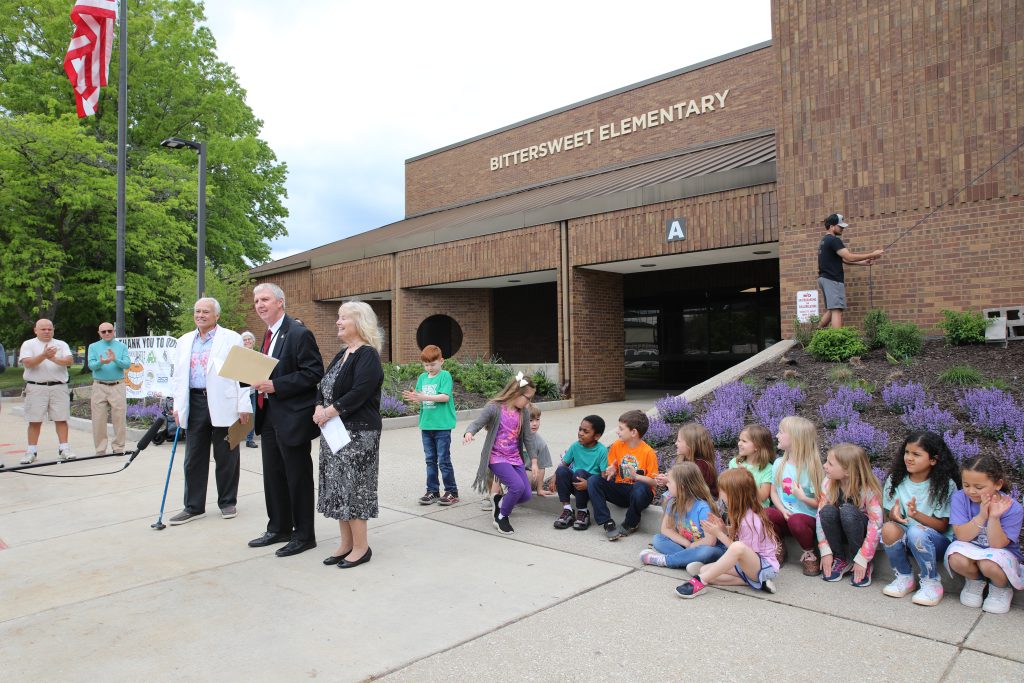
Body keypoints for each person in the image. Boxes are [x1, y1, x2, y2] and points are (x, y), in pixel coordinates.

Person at [248, 283, 324, 557]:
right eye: (257, 300)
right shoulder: (268, 335)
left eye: (265, 299)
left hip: (292, 417)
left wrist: (276, 385)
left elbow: (314, 372)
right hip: (268, 416)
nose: (259, 304)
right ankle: (279, 527)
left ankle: (304, 535)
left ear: (281, 302)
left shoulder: (298, 333)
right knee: (273, 476)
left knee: (297, 477)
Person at [168, 298, 251, 524]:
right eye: (197, 311)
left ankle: (227, 502)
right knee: (193, 457)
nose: (201, 315)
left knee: (226, 454)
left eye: (206, 311)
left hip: (224, 403)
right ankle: (194, 506)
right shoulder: (184, 341)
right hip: (194, 402)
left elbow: (243, 373)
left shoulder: (231, 338)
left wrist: (244, 404)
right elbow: (177, 377)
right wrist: (177, 405)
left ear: (217, 316)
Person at [314, 301, 384, 569]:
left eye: (343, 318)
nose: (338, 322)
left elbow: (359, 392)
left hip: (358, 434)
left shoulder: (367, 355)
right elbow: (322, 385)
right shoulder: (343, 353)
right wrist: (319, 406)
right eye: (338, 317)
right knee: (338, 489)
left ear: (359, 322)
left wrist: (328, 412)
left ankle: (361, 547)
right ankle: (345, 545)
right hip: (334, 433)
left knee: (354, 489)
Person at [880, 431, 959, 606]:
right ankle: (904, 577)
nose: (909, 458)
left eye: (916, 454)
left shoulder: (945, 485)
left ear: (933, 459)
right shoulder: (895, 480)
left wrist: (917, 515)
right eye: (907, 452)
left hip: (935, 542)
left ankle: (931, 583)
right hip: (908, 536)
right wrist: (894, 515)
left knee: (917, 532)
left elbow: (942, 527)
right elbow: (891, 514)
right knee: (888, 528)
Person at [674, 467, 780, 598]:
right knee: (704, 570)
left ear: (733, 494)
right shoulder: (741, 513)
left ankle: (701, 581)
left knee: (734, 550)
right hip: (749, 566)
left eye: (722, 490)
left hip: (764, 567)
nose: (720, 493)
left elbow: (739, 551)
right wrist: (723, 528)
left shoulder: (750, 520)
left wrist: (719, 534)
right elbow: (739, 539)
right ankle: (754, 583)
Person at [945, 455, 1023, 614]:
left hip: (999, 554)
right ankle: (975, 581)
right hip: (969, 548)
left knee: (987, 563)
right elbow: (962, 536)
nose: (971, 491)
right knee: (956, 559)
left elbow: (997, 545)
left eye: (979, 487)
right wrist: (981, 516)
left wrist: (994, 517)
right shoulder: (960, 498)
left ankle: (1001, 588)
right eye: (966, 485)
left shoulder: (1013, 508)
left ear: (998, 484)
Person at [464, 373, 539, 535]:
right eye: (528, 397)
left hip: (514, 457)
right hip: (496, 456)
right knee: (516, 486)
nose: (529, 402)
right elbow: (477, 423)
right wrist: (469, 433)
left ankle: (499, 500)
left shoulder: (524, 413)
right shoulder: (495, 408)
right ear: (516, 393)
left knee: (525, 494)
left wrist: (533, 461)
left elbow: (528, 438)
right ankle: (501, 515)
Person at [815, 443, 883, 587]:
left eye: (830, 463)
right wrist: (825, 550)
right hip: (840, 528)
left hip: (860, 532)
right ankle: (840, 558)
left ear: (847, 471)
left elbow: (875, 524)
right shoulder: (828, 483)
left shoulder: (868, 489)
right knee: (826, 511)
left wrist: (864, 557)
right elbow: (820, 516)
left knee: (847, 511)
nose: (824, 465)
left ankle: (860, 560)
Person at [587, 409, 659, 541]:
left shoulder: (648, 452)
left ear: (633, 432)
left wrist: (636, 477)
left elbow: (654, 483)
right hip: (621, 490)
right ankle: (607, 522)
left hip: (640, 495)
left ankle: (630, 523)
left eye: (621, 428)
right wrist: (612, 470)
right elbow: (613, 465)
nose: (617, 431)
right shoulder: (617, 446)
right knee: (593, 481)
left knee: (640, 487)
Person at [766, 415, 824, 575]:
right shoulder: (779, 463)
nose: (777, 435)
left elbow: (821, 502)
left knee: (796, 520)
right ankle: (779, 545)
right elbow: (773, 492)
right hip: (786, 516)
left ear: (796, 439)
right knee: (766, 513)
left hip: (805, 520)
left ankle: (809, 553)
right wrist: (781, 509)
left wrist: (802, 497)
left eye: (781, 432)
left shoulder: (812, 467)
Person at [640, 462, 726, 570]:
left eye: (669, 482)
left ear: (681, 487)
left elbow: (710, 541)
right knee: (658, 539)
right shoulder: (673, 502)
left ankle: (666, 560)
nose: (667, 485)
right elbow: (666, 529)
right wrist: (687, 544)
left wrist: (691, 547)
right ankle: (690, 561)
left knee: (706, 552)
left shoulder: (703, 508)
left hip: (710, 548)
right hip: (688, 545)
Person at [402, 344, 459, 506]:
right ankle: (433, 490)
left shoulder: (445, 376)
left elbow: (444, 397)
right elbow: (420, 397)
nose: (429, 368)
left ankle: (451, 491)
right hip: (426, 425)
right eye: (426, 365)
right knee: (430, 460)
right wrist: (415, 397)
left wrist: (424, 397)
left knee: (444, 460)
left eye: (432, 364)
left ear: (441, 361)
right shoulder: (422, 377)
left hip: (442, 426)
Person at [19, 319, 75, 464]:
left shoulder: (61, 344)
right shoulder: (28, 344)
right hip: (36, 387)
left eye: (49, 329)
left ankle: (64, 449)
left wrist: (54, 358)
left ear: (53, 330)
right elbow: (28, 363)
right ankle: (31, 451)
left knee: (61, 419)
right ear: (35, 330)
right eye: (43, 329)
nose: (47, 331)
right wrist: (44, 355)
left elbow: (69, 361)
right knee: (34, 420)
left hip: (59, 386)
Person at [817, 212, 884, 329]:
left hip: (824, 279)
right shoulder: (834, 240)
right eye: (840, 226)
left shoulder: (824, 241)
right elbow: (849, 256)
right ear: (832, 226)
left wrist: (863, 263)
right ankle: (838, 341)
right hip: (832, 279)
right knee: (837, 310)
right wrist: (872, 254)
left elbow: (843, 260)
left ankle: (817, 333)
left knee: (832, 309)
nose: (843, 228)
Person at [553, 415, 608, 531]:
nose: (580, 433)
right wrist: (554, 476)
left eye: (586, 431)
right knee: (561, 470)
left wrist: (591, 484)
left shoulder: (602, 450)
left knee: (579, 472)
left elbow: (603, 476)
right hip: (575, 484)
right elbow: (564, 464)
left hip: (589, 487)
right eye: (580, 429)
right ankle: (567, 510)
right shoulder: (575, 446)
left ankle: (583, 512)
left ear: (597, 436)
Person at [87, 321, 130, 455]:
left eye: (109, 331)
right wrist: (101, 362)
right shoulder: (93, 347)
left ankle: (118, 447)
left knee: (119, 418)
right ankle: (100, 448)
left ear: (114, 332)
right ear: (99, 333)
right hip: (99, 386)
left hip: (117, 385)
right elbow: (91, 366)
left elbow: (127, 364)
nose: (107, 333)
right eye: (103, 331)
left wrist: (114, 359)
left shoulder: (121, 346)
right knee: (98, 419)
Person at [656, 422, 718, 498]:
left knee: (669, 500)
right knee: (667, 498)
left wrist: (669, 481)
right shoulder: (683, 459)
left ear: (690, 445)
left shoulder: (702, 466)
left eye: (679, 441)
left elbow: (693, 491)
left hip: (701, 503)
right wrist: (667, 480)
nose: (675, 443)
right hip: (686, 500)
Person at [728, 424, 775, 507]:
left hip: (758, 510)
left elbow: (762, 497)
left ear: (757, 446)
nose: (739, 443)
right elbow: (727, 488)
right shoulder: (734, 463)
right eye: (739, 440)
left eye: (744, 441)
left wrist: (747, 477)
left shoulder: (768, 469)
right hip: (736, 508)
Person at [525, 404, 554, 497]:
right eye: (530, 420)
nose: (535, 423)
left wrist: (539, 489)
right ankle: (494, 494)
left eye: (537, 419)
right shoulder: (514, 437)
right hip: (514, 471)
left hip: (530, 475)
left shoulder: (540, 443)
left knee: (523, 475)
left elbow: (541, 468)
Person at [240, 331, 259, 448]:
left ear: (253, 341)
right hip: (242, 390)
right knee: (239, 414)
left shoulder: (257, 355)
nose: (247, 341)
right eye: (245, 340)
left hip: (254, 390)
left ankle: (249, 439)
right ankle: (233, 436)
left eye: (249, 339)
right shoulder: (240, 355)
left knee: (253, 414)